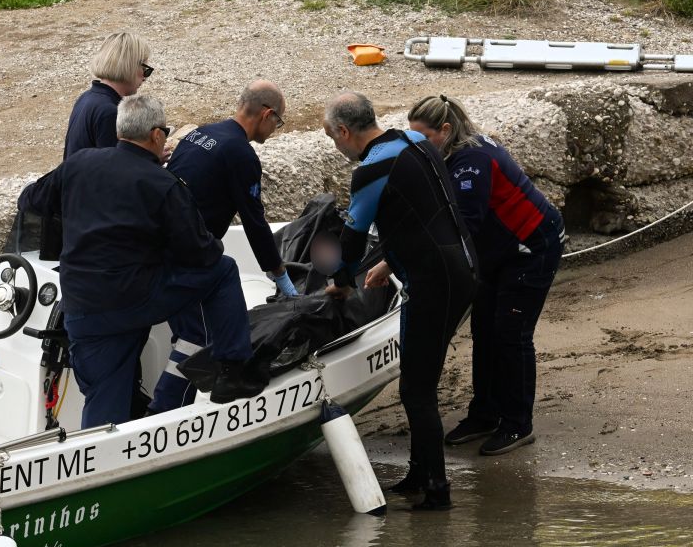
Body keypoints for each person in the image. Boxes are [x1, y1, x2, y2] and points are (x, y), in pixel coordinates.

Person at [19, 94, 260, 428]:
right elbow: (202, 253)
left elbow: (29, 200)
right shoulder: (162, 184)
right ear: (157, 136)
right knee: (224, 269)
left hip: (80, 307)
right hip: (131, 301)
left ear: (120, 131)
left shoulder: (79, 164)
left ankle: (102, 466)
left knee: (104, 406)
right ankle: (233, 369)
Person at [322, 91, 477, 510]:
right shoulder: (415, 142)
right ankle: (418, 473)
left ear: (343, 131)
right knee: (416, 379)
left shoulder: (373, 168)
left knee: (417, 389)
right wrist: (391, 262)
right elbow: (424, 211)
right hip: (458, 268)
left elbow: (352, 239)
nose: (336, 147)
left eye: (331, 137)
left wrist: (341, 282)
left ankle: (437, 492)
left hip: (436, 282)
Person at [407, 94, 565, 456]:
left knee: (511, 334)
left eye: (422, 138)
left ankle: (517, 423)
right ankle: (485, 414)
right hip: (500, 251)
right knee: (484, 329)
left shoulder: (471, 162)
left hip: (532, 248)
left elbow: (466, 226)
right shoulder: (455, 151)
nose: (417, 146)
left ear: (445, 130)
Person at [148, 80, 297, 414]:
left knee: (190, 333)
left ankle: (176, 405)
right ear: (267, 114)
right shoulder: (240, 153)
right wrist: (279, 274)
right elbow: (254, 222)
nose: (275, 129)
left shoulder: (200, 134)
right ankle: (164, 411)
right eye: (279, 122)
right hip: (186, 257)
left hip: (160, 246)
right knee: (196, 338)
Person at [62, 32, 152, 159]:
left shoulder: (87, 97)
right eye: (145, 69)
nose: (145, 77)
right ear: (129, 66)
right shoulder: (109, 111)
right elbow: (113, 168)